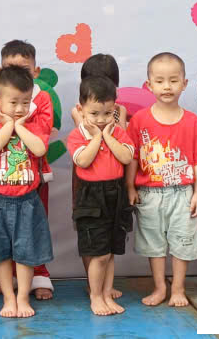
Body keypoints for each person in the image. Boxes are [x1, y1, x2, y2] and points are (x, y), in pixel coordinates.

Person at [0, 40, 57, 299]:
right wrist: (10, 122)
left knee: (32, 232)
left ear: (35, 71)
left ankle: (39, 276)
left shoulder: (42, 97)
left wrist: (18, 121)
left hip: (32, 178)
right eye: (9, 68)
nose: (16, 74)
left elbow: (41, 139)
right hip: (1, 184)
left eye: (23, 69)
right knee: (2, 237)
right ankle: (7, 283)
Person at [127, 52, 196, 307]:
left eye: (173, 80)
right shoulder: (140, 120)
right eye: (160, 81)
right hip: (150, 194)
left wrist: (198, 192)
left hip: (182, 192)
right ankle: (159, 287)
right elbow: (133, 157)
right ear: (149, 85)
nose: (167, 86)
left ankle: (178, 288)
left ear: (184, 83)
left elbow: (198, 162)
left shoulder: (193, 122)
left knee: (182, 241)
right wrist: (130, 186)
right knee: (153, 243)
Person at [67, 76, 134, 316]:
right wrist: (97, 136)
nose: (101, 119)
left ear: (114, 109)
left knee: (110, 251)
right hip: (91, 196)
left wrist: (108, 136)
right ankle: (95, 296)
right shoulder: (77, 136)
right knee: (99, 253)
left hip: (115, 193)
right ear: (81, 109)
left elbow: (126, 157)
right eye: (94, 113)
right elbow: (83, 161)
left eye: (107, 113)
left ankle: (106, 294)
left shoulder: (118, 133)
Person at [73, 53, 127, 299]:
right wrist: (99, 128)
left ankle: (104, 287)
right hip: (87, 177)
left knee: (109, 239)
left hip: (113, 176)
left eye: (108, 82)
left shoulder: (117, 110)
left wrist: (110, 128)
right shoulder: (82, 111)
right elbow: (85, 136)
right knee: (91, 235)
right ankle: (92, 284)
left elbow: (122, 138)